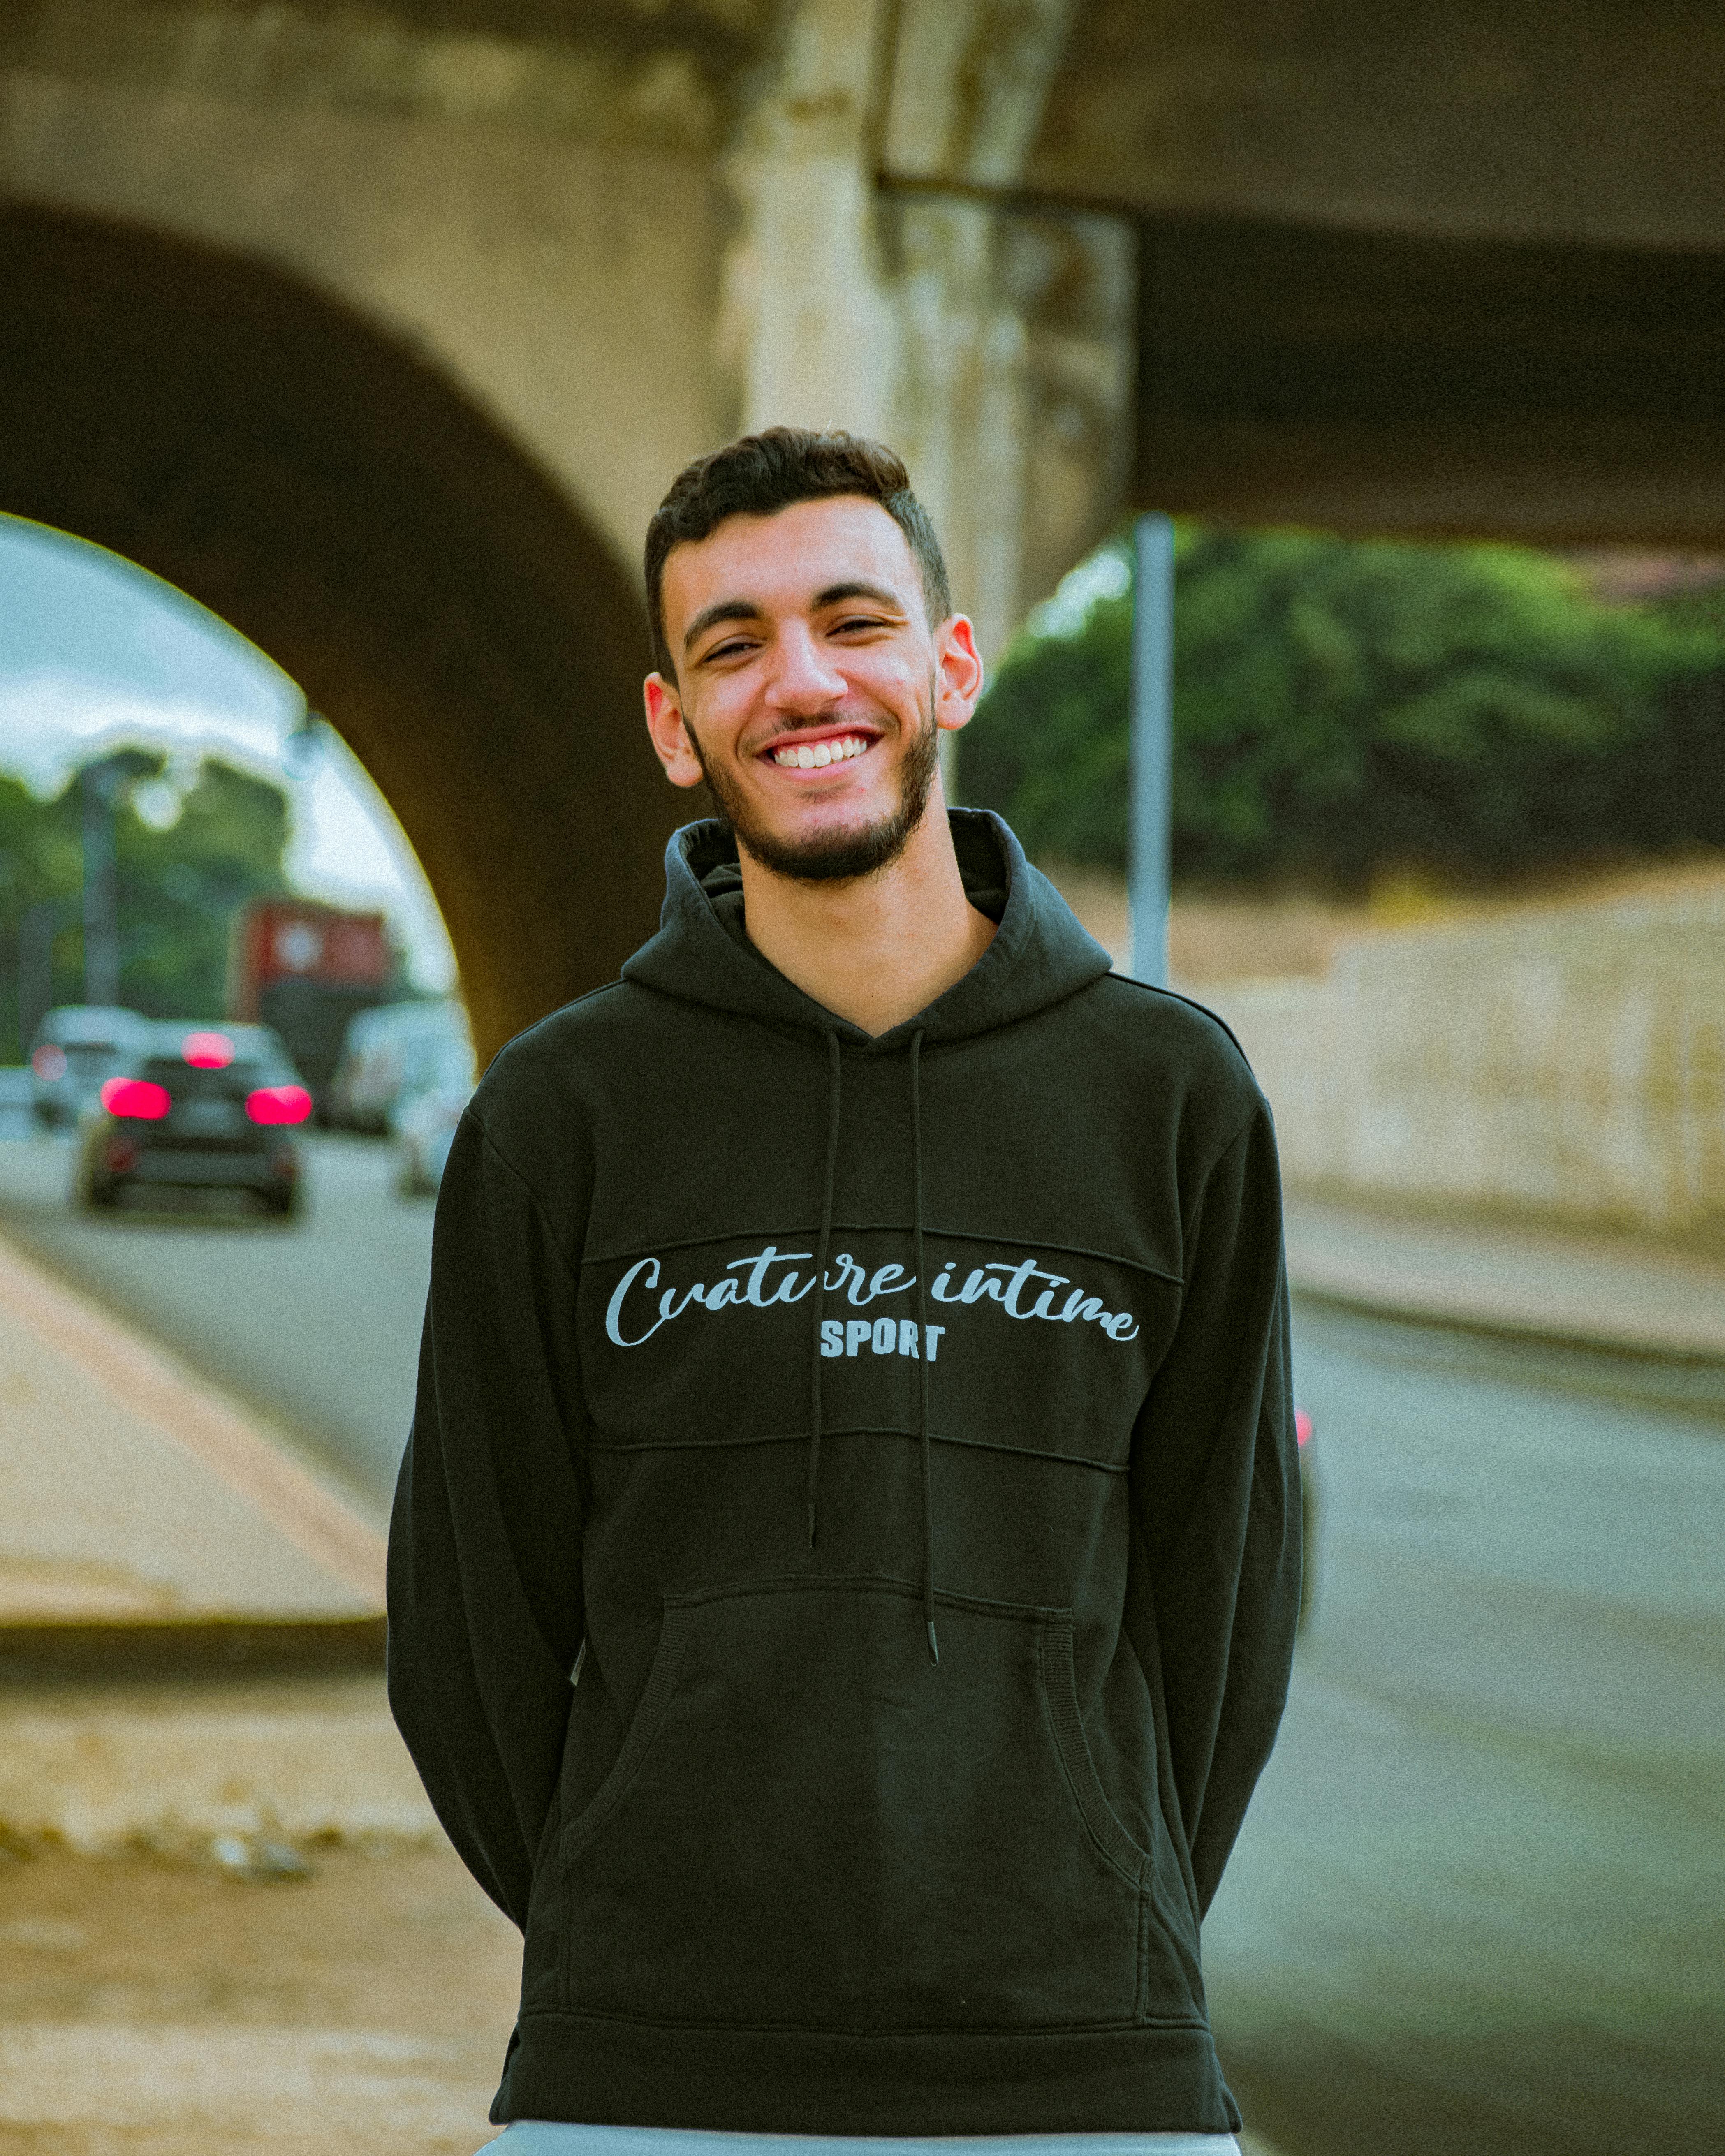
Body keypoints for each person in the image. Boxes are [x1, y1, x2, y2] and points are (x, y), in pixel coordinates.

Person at [387, 428, 1300, 2154]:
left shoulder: (1165, 1097)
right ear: (673, 726)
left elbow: (1226, 1602)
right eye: (729, 645)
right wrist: (639, 1918)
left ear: (946, 665)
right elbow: (468, 1630)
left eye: (851, 622)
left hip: (1085, 2076)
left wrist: (1091, 1897)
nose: (798, 682)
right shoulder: (559, 1117)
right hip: (647, 2083)